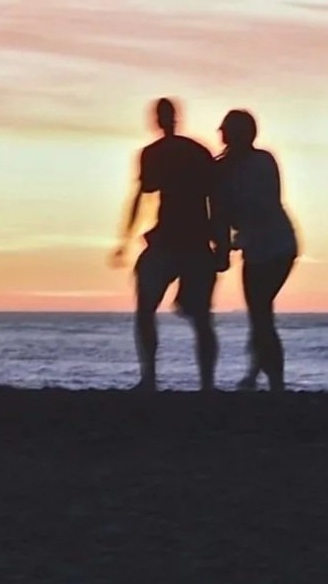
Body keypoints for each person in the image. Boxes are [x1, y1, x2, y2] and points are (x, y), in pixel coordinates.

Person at [111, 98, 220, 391]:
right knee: (187, 315)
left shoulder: (167, 153)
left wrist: (220, 242)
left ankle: (158, 378)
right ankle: (167, 379)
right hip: (181, 240)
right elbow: (215, 198)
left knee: (182, 314)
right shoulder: (190, 152)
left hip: (185, 240)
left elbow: (214, 198)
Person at [213, 109, 299, 393]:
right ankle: (257, 374)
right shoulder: (224, 168)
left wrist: (229, 244)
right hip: (259, 246)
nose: (221, 135)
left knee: (261, 313)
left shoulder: (260, 162)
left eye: (225, 130)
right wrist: (225, 247)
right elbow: (221, 213)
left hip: (275, 245)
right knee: (260, 313)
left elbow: (261, 204)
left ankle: (273, 381)